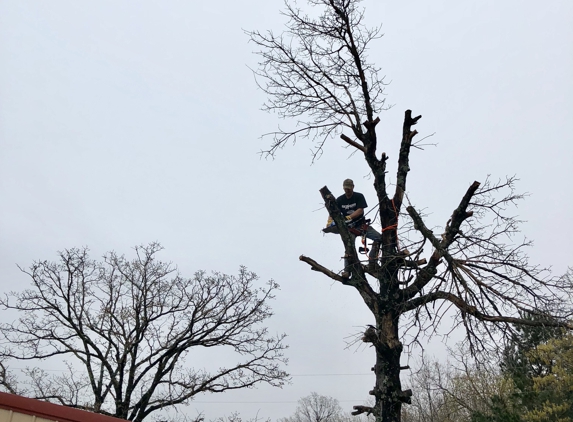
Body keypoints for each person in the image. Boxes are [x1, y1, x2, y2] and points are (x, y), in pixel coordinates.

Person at [328, 179, 381, 277]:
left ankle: (372, 263)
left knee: (379, 238)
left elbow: (360, 210)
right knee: (349, 245)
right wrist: (330, 222)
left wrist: (349, 217)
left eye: (349, 188)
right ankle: (347, 270)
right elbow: (333, 212)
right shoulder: (339, 200)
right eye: (345, 188)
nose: (347, 190)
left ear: (353, 187)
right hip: (349, 228)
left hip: (361, 225)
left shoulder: (359, 196)